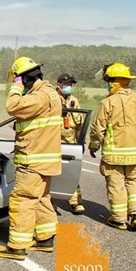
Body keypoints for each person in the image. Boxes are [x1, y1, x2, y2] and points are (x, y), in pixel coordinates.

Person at [0, 57, 62, 261]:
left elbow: (12, 107)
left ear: (23, 79)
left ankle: (17, 247)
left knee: (22, 200)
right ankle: (45, 239)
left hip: (33, 159)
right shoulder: (52, 94)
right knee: (41, 198)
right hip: (47, 160)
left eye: (19, 81)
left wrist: (15, 88)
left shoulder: (38, 97)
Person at [88, 62, 136, 231]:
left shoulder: (108, 103)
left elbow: (97, 128)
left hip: (114, 155)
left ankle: (119, 219)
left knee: (116, 185)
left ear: (112, 81)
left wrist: (93, 146)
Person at [56, 73, 85, 214]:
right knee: (52, 174)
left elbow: (80, 122)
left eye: (71, 85)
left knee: (71, 174)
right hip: (54, 142)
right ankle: (50, 204)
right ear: (58, 85)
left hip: (70, 142)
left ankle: (76, 202)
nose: (69, 87)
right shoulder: (53, 99)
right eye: (66, 85)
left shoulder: (74, 100)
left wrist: (81, 141)